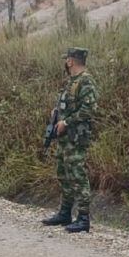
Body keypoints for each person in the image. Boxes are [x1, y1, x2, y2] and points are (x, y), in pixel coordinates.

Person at [41, 47, 98, 233]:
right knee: (63, 173)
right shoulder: (72, 82)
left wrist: (67, 121)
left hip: (76, 137)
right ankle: (65, 213)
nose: (65, 62)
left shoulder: (86, 81)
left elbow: (89, 110)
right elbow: (69, 105)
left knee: (78, 176)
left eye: (67, 59)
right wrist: (57, 115)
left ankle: (83, 218)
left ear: (71, 61)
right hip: (65, 138)